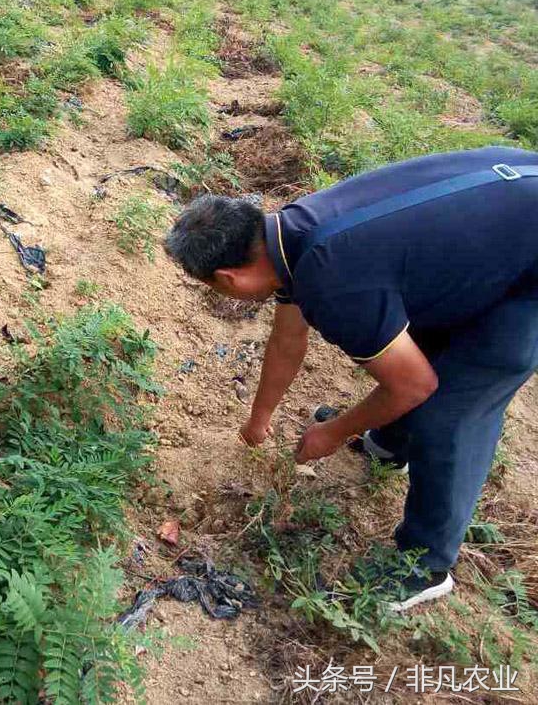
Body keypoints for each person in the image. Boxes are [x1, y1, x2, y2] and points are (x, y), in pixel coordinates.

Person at [164, 146, 538, 611]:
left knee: (453, 407)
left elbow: (412, 385)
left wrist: (335, 432)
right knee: (419, 333)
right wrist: (259, 419)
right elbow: (287, 341)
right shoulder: (292, 232)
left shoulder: (334, 282)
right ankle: (390, 446)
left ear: (230, 279)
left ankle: (424, 568)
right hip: (508, 192)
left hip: (527, 259)